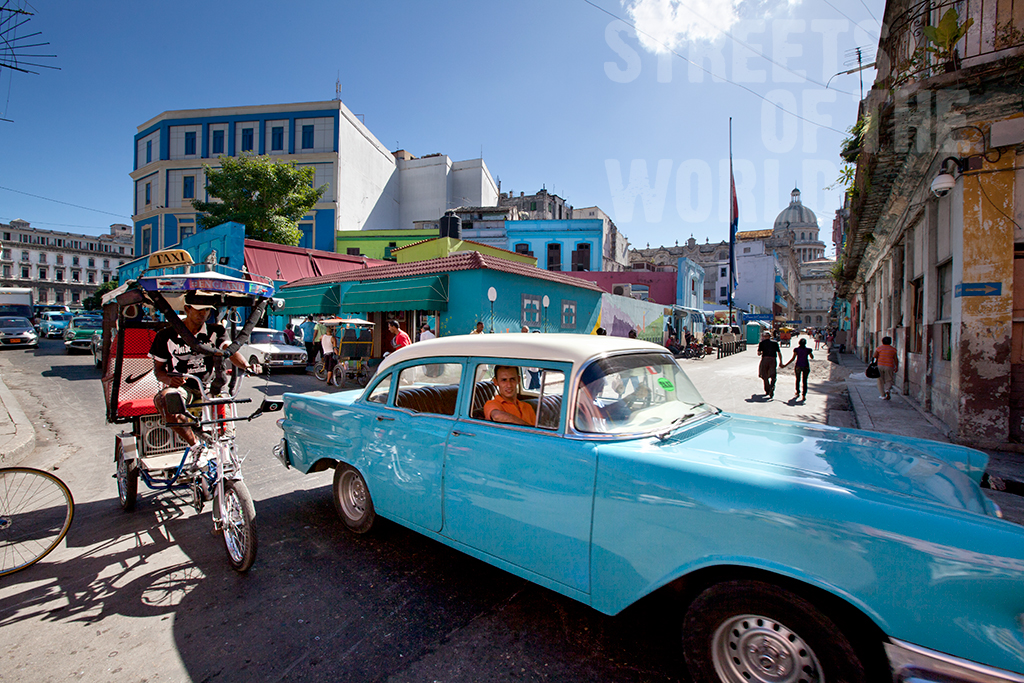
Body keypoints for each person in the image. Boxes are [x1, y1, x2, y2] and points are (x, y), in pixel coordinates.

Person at [150, 302, 257, 448]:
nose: (203, 314)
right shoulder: (166, 335)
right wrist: (170, 379)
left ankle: (224, 452)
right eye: (199, 309)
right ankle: (196, 447)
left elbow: (228, 350)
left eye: (207, 310)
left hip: (209, 387)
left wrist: (247, 366)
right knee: (165, 400)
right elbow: (159, 371)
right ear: (187, 309)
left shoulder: (215, 331)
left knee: (226, 426)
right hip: (183, 387)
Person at [757, 331, 784, 399]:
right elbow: (779, 353)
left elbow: (759, 353)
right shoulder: (775, 343)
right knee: (773, 375)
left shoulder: (761, 343)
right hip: (773, 359)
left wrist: (761, 351)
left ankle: (767, 389)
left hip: (765, 359)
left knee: (764, 375)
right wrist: (781, 362)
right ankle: (772, 387)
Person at [874, 335, 898, 400]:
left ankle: (882, 395)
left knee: (880, 380)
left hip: (880, 365)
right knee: (889, 379)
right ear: (890, 342)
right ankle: (887, 390)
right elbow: (895, 359)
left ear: (882, 342)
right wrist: (896, 366)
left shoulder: (879, 348)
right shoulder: (893, 349)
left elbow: (874, 355)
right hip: (889, 366)